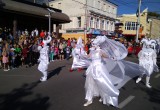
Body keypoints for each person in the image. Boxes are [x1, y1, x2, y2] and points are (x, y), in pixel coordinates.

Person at [74, 35, 148, 107]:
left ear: (97, 44)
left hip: (99, 69)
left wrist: (114, 58)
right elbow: (88, 56)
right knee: (90, 84)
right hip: (92, 68)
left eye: (93, 43)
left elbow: (108, 56)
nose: (92, 44)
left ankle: (104, 96)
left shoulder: (100, 51)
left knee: (102, 83)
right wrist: (81, 54)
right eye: (92, 43)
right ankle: (89, 99)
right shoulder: (91, 51)